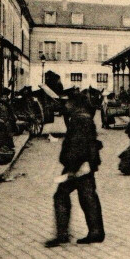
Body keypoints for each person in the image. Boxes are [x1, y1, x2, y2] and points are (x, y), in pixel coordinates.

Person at [45, 93, 104, 247]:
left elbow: (77, 145)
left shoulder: (79, 119)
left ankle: (63, 234)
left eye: (66, 103)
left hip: (78, 165)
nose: (64, 106)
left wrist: (71, 167)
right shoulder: (83, 117)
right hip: (84, 164)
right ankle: (96, 231)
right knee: (88, 197)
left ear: (74, 103)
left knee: (61, 195)